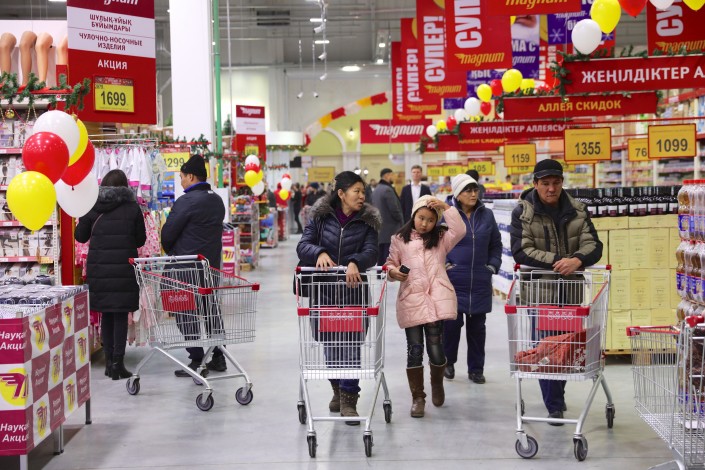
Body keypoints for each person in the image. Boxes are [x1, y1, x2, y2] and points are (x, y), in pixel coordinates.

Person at [509, 159, 602, 424]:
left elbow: (594, 245)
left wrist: (578, 260)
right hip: (541, 293)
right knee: (546, 347)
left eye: (556, 183)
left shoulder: (578, 210)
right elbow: (521, 251)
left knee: (565, 348)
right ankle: (554, 404)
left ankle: (556, 398)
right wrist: (560, 261)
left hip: (570, 292)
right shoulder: (523, 212)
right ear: (535, 184)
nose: (551, 188)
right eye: (545, 183)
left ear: (562, 182)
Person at [296, 171, 380, 424]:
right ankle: (337, 389)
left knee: (351, 347)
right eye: (357, 191)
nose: (362, 196)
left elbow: (372, 252)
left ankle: (349, 400)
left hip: (354, 295)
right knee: (331, 347)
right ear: (341, 193)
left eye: (363, 191)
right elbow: (303, 245)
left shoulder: (367, 222)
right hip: (325, 295)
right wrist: (319, 252)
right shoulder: (320, 218)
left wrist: (356, 261)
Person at [386, 195, 466, 418]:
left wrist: (446, 207)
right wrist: (393, 273)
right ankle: (418, 397)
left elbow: (460, 230)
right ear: (413, 215)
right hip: (411, 300)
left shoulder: (441, 238)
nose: (425, 224)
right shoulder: (399, 239)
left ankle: (437, 383)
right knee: (414, 351)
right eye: (421, 218)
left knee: (436, 351)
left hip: (435, 299)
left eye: (431, 220)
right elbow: (390, 264)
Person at [74, 169, 146, 380]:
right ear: (125, 187)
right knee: (120, 315)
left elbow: (80, 236)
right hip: (124, 269)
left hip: (100, 270)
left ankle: (108, 362)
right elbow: (140, 240)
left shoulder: (92, 206)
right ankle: (118, 363)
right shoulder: (133, 208)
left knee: (106, 314)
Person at [161, 155, 227, 377]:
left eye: (181, 177)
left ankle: (197, 359)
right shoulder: (216, 200)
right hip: (210, 267)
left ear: (190, 176)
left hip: (185, 268)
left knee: (185, 311)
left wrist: (171, 249)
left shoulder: (186, 201)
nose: (180, 181)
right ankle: (218, 356)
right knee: (210, 310)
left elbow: (168, 234)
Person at [442, 174, 502, 384]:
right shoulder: (447, 215)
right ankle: (448, 362)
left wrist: (492, 265)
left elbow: (496, 244)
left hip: (480, 280)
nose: (473, 194)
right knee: (451, 326)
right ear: (458, 194)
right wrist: (446, 265)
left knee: (477, 328)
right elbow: (437, 244)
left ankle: (476, 369)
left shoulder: (487, 215)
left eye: (475, 190)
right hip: (453, 280)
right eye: (468, 190)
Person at [371, 168, 403, 266]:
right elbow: (394, 209)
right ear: (387, 175)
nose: (393, 177)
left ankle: (380, 274)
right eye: (392, 175)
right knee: (388, 258)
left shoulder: (376, 190)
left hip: (381, 229)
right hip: (390, 229)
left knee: (381, 258)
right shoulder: (387, 190)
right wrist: (401, 220)